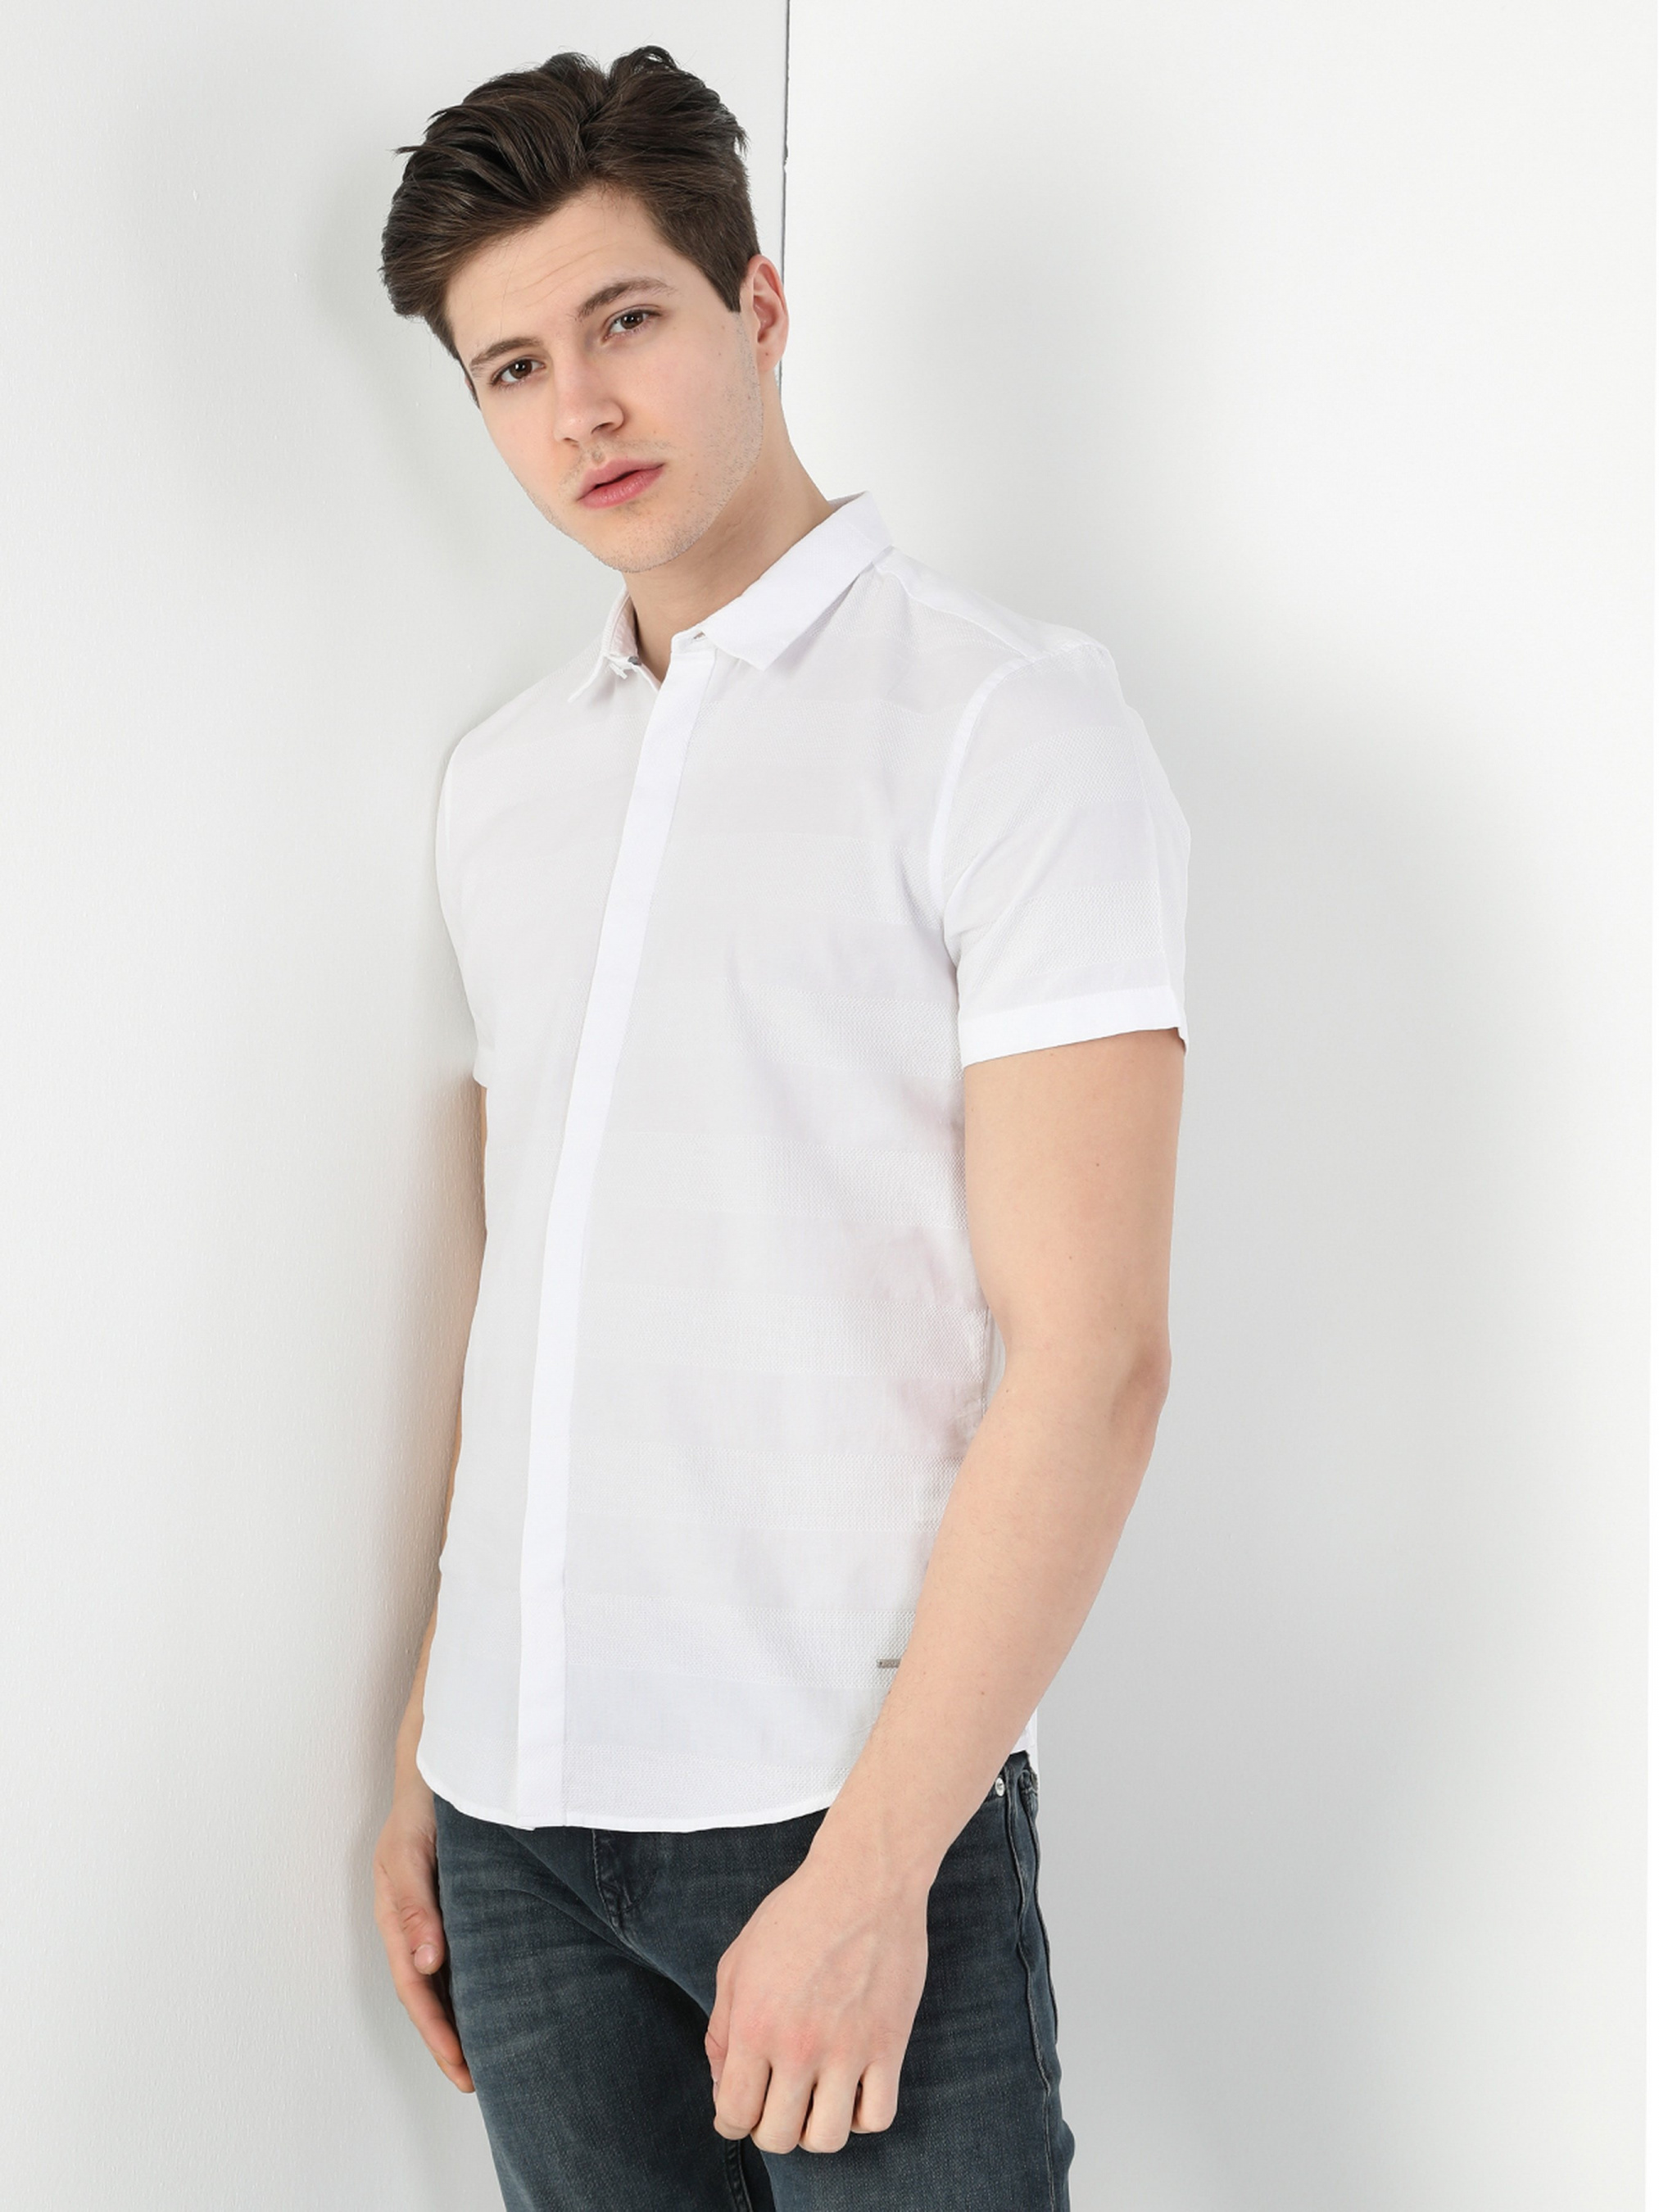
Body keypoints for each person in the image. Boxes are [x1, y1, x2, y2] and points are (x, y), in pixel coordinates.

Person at [371, 44, 1188, 2212]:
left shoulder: (1004, 724)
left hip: (832, 1802)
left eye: (626, 320)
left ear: (757, 305)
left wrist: (874, 1867)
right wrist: (434, 1743)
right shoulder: (500, 785)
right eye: (512, 368)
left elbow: (1095, 1356)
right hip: (516, 1823)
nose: (580, 410)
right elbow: (533, 1294)